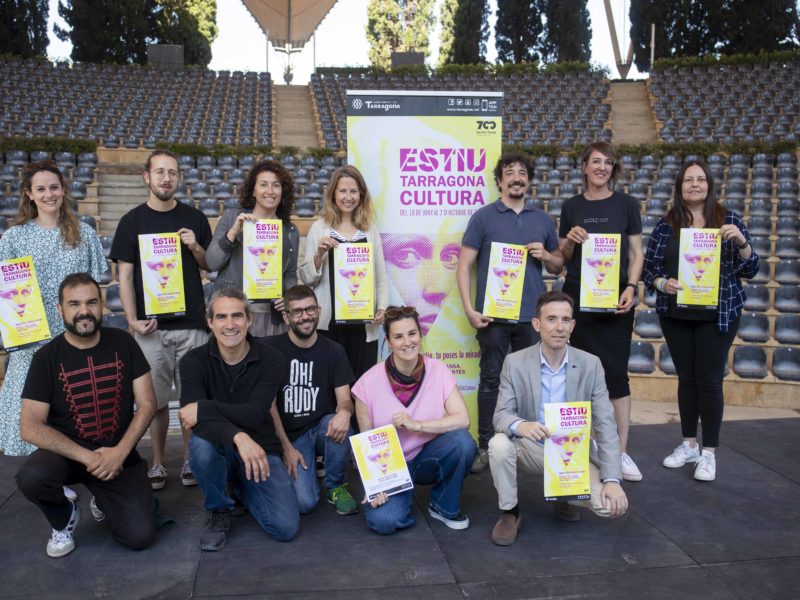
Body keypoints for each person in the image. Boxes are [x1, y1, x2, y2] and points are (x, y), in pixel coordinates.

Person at [16, 273, 156, 557]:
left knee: (140, 536)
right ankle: (63, 517)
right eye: (74, 304)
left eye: (91, 302)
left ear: (102, 304)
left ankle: (103, 498)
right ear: (60, 309)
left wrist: (119, 452)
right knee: (31, 476)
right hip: (67, 457)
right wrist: (89, 457)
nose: (84, 311)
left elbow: (148, 403)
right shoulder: (46, 358)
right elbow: (29, 427)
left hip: (118, 454)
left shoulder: (124, 343)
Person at [643, 160, 759, 482]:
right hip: (676, 314)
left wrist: (742, 243)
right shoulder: (666, 224)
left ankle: (709, 453)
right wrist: (661, 284)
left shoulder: (729, 219)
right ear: (680, 187)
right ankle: (688, 444)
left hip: (718, 314)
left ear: (709, 185)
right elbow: (649, 270)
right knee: (686, 379)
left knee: (709, 380)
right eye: (688, 180)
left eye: (700, 179)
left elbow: (751, 270)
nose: (694, 184)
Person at [488, 291, 628, 546]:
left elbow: (605, 424)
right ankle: (510, 512)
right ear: (537, 324)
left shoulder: (591, 364)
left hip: (571, 456)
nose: (559, 327)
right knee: (498, 444)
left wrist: (612, 479)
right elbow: (501, 415)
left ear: (573, 326)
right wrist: (523, 425)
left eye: (565, 320)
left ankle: (563, 496)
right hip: (531, 449)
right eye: (551, 319)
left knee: (611, 506)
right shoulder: (515, 362)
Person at [110, 150, 212, 491]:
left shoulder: (194, 218)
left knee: (190, 400)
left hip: (193, 326)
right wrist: (132, 319)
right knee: (152, 402)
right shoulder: (132, 221)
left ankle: (188, 461)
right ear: (146, 176)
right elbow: (124, 276)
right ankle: (156, 463)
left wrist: (195, 246)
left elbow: (209, 265)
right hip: (151, 329)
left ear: (179, 177)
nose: (166, 178)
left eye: (172, 172)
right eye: (160, 172)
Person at [456, 153, 563, 473]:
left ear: (528, 180)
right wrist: (470, 309)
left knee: (532, 383)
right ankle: (486, 445)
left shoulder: (542, 220)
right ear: (499, 180)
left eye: (521, 173)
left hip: (532, 317)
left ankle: (529, 445)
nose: (516, 178)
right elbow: (463, 266)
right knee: (490, 379)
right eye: (509, 173)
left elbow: (558, 265)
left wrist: (546, 254)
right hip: (492, 317)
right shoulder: (484, 217)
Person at [0, 161, 107, 457]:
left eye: (54, 187)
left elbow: (94, 289)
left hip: (72, 336)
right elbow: (7, 294)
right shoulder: (13, 238)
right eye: (41, 189)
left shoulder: (84, 233)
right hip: (31, 338)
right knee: (36, 416)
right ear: (29, 194)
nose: (49, 194)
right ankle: (51, 484)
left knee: (75, 408)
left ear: (63, 190)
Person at [179, 288, 299, 550]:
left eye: (237, 316)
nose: (230, 324)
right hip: (220, 444)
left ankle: (240, 487)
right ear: (209, 322)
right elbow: (194, 422)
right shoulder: (192, 361)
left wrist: (204, 407)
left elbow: (256, 413)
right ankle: (219, 508)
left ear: (249, 320)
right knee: (200, 446)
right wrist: (238, 436)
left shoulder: (272, 359)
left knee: (285, 527)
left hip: (261, 447)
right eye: (221, 317)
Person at [558, 141, 644, 482]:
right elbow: (562, 256)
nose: (602, 167)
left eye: (608, 162)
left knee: (616, 376)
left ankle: (620, 453)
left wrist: (631, 287)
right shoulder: (571, 206)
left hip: (615, 302)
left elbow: (636, 253)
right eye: (596, 161)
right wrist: (570, 241)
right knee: (575, 375)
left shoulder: (627, 204)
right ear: (584, 167)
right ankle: (581, 447)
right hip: (577, 299)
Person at [352, 306, 477, 535]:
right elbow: (366, 444)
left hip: (428, 456)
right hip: (391, 467)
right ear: (388, 341)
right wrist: (374, 485)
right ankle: (400, 498)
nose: (407, 342)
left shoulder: (438, 371)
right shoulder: (367, 383)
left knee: (462, 442)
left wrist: (417, 425)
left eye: (412, 333)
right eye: (398, 336)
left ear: (420, 335)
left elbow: (463, 419)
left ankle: (443, 506)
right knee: (384, 522)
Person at [261, 285, 357, 516]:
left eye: (310, 309)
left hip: (322, 428)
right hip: (291, 436)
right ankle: (307, 466)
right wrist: (286, 448)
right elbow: (268, 406)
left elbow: (344, 400)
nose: (306, 316)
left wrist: (345, 412)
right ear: (286, 316)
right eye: (298, 311)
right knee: (305, 503)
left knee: (342, 425)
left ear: (319, 310)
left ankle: (336, 485)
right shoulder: (271, 350)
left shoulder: (334, 350)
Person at [300, 165, 389, 380]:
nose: (348, 197)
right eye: (342, 191)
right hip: (329, 325)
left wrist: (382, 308)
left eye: (353, 191)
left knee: (362, 386)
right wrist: (319, 255)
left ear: (361, 194)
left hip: (363, 326)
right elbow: (306, 279)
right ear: (333, 194)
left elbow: (380, 277)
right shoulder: (319, 228)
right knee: (331, 384)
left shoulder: (370, 230)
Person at [205, 159, 299, 336]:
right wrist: (233, 232)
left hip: (272, 316)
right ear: (253, 191)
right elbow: (212, 262)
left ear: (283, 192)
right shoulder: (232, 216)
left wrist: (288, 298)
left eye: (276, 186)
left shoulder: (290, 230)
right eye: (263, 185)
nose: (270, 191)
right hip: (235, 312)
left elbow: (290, 274)